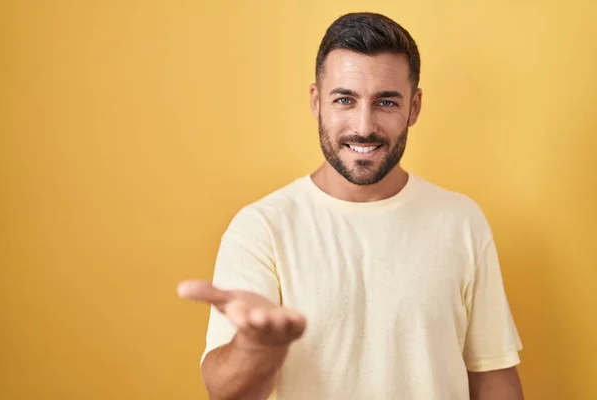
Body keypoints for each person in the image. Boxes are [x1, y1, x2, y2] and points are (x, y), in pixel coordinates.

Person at [177, 11, 524, 400]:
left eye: (387, 102)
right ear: (316, 102)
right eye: (345, 99)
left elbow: (493, 378)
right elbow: (225, 392)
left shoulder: (461, 220)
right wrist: (259, 344)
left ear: (414, 107)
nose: (364, 125)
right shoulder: (262, 228)